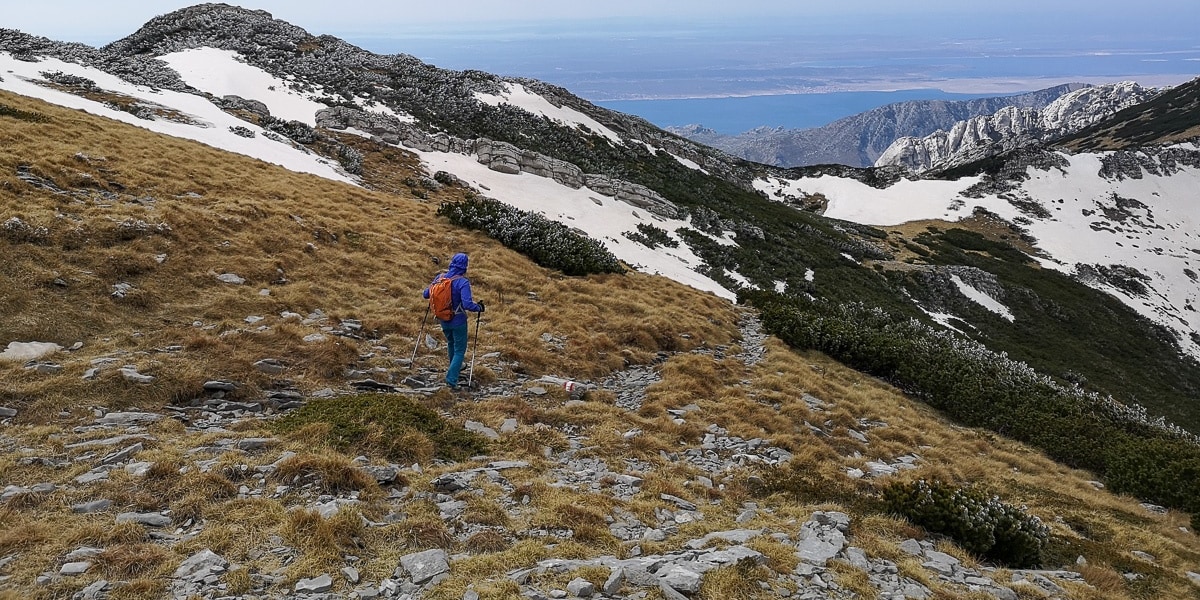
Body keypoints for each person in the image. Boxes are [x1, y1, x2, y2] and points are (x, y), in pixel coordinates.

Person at [422, 252, 484, 389]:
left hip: (443, 319)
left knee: (451, 343)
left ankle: (453, 368)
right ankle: (451, 379)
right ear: (465, 266)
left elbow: (426, 294)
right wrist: (479, 307)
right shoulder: (462, 282)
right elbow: (467, 304)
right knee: (460, 350)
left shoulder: (440, 277)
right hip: (458, 320)